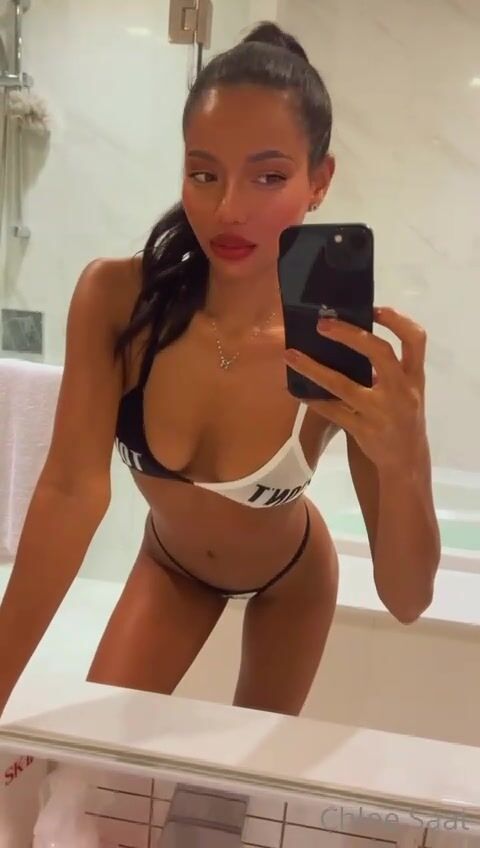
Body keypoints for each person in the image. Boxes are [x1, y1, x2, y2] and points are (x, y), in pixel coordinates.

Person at [0, 23, 440, 719]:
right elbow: (69, 494)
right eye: (205, 174)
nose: (229, 209)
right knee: (95, 773)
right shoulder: (118, 301)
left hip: (291, 582)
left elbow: (407, 601)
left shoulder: (342, 349)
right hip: (169, 569)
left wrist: (406, 456)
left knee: (232, 787)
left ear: (320, 181)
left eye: (269, 176)